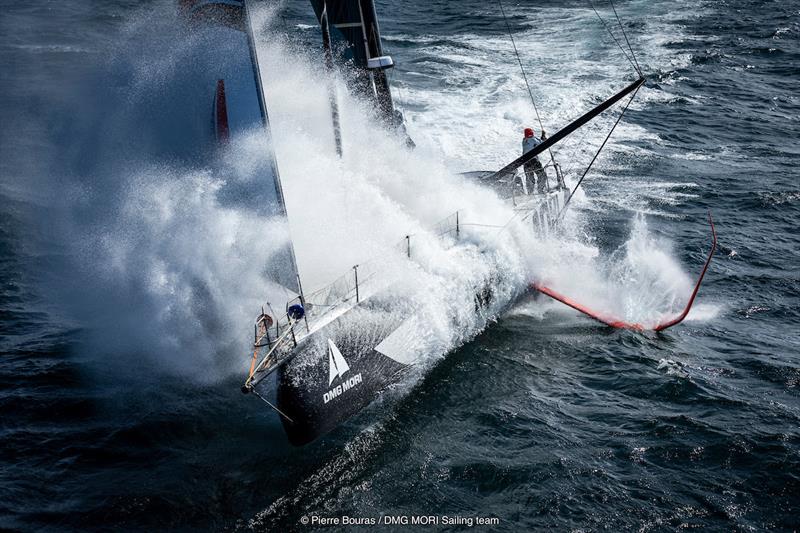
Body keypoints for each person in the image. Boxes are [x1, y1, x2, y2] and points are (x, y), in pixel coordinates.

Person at [522, 127, 549, 193]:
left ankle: (530, 193)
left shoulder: (524, 141)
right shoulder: (533, 139)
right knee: (542, 175)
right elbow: (542, 143)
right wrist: (543, 135)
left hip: (525, 162)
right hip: (533, 161)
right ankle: (540, 190)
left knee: (530, 179)